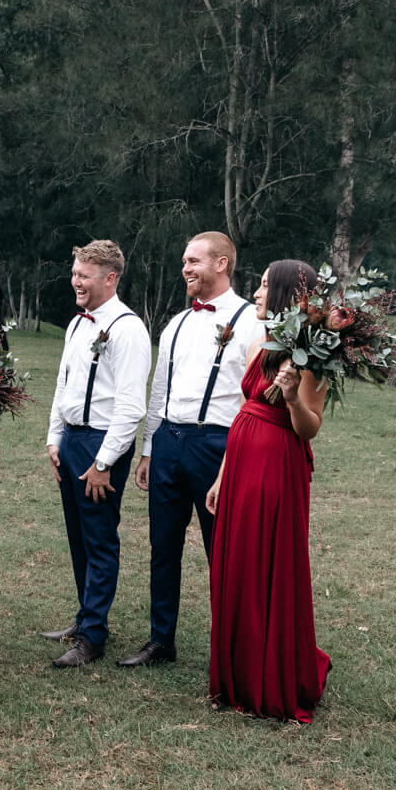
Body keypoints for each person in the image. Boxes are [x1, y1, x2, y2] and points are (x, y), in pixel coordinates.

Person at [121, 231, 263, 668]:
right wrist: (149, 448)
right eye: (184, 261)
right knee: (163, 547)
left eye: (194, 261)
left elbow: (252, 399)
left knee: (221, 549)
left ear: (221, 264)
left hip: (217, 445)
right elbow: (160, 389)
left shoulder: (251, 321)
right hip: (169, 441)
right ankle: (160, 640)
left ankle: (231, 646)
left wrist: (234, 456)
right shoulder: (177, 323)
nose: (185, 269)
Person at [205, 259, 332, 722]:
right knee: (238, 561)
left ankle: (270, 675)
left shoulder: (311, 354)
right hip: (241, 462)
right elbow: (245, 405)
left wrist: (294, 396)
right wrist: (222, 475)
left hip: (277, 465)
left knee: (267, 562)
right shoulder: (260, 342)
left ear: (283, 295)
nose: (256, 293)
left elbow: (310, 427)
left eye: (263, 286)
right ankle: (236, 673)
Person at [43, 240, 151, 667]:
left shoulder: (128, 329)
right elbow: (63, 384)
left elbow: (131, 406)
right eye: (75, 273)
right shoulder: (76, 324)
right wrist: (54, 439)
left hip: (102, 444)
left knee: (100, 539)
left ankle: (93, 637)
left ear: (110, 278)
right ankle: (85, 616)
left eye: (84, 275)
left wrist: (104, 463)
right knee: (78, 537)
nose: (76, 281)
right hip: (72, 440)